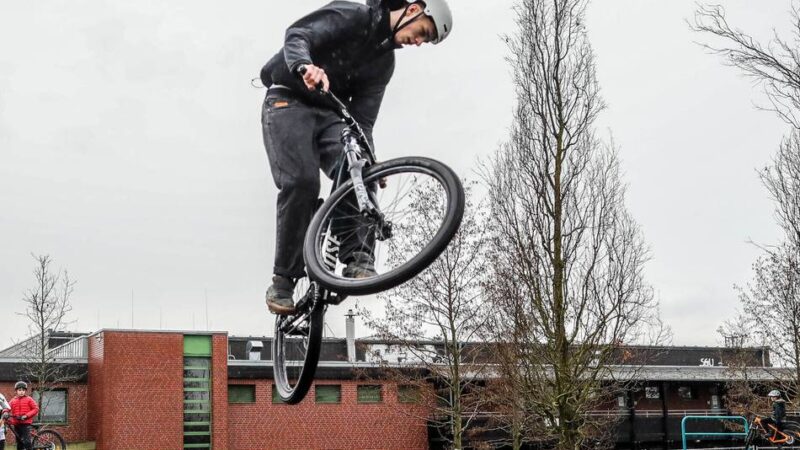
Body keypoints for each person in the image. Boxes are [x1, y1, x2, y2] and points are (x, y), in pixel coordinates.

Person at [259, 0, 453, 314]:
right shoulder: (353, 16)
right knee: (302, 182)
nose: (417, 42)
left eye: (425, 41)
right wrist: (305, 66)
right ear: (414, 10)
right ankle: (284, 281)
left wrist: (370, 158)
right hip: (287, 99)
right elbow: (297, 35)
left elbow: (362, 121)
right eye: (422, 33)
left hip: (331, 113)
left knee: (359, 166)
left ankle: (359, 257)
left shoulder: (384, 64)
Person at [7, 382, 38, 450]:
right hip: (16, 423)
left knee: (27, 441)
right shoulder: (13, 400)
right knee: (19, 442)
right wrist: (5, 412)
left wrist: (26, 416)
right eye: (20, 390)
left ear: (25, 391)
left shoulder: (29, 399)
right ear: (16, 391)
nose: (21, 392)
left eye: (23, 390)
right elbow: (7, 408)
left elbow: (36, 409)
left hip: (25, 423)